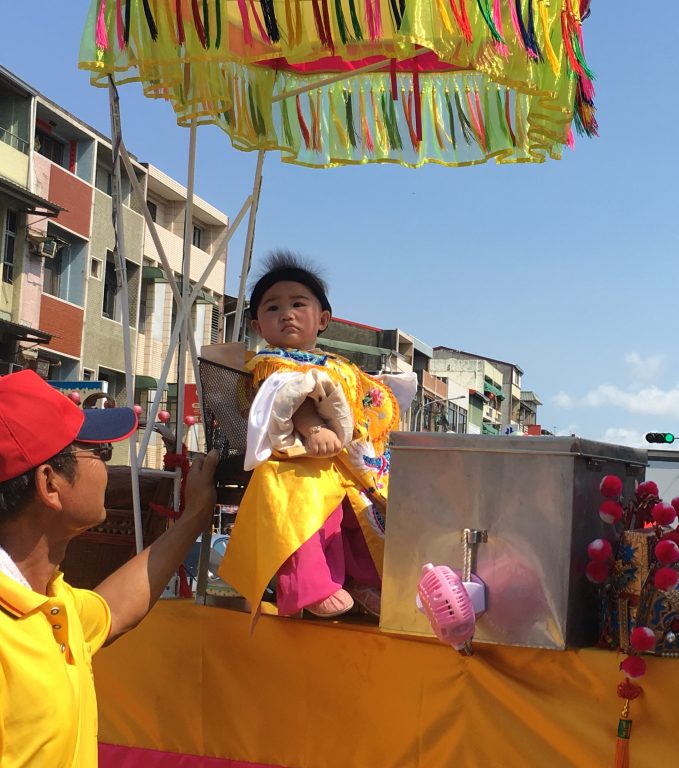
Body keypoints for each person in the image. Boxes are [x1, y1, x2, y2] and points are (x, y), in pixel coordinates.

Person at [0, 369, 219, 767]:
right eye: (100, 453)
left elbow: (114, 609)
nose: (107, 466)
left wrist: (195, 516)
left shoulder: (46, 599)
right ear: (50, 485)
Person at [218, 252, 414, 618]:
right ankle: (310, 585)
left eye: (297, 304)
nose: (286, 313)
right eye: (273, 307)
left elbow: (359, 399)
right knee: (309, 511)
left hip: (344, 462)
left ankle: (365, 579)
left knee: (364, 513)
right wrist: (314, 428)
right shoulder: (269, 362)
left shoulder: (337, 364)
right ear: (258, 325)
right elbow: (290, 396)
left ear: (322, 318)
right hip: (296, 460)